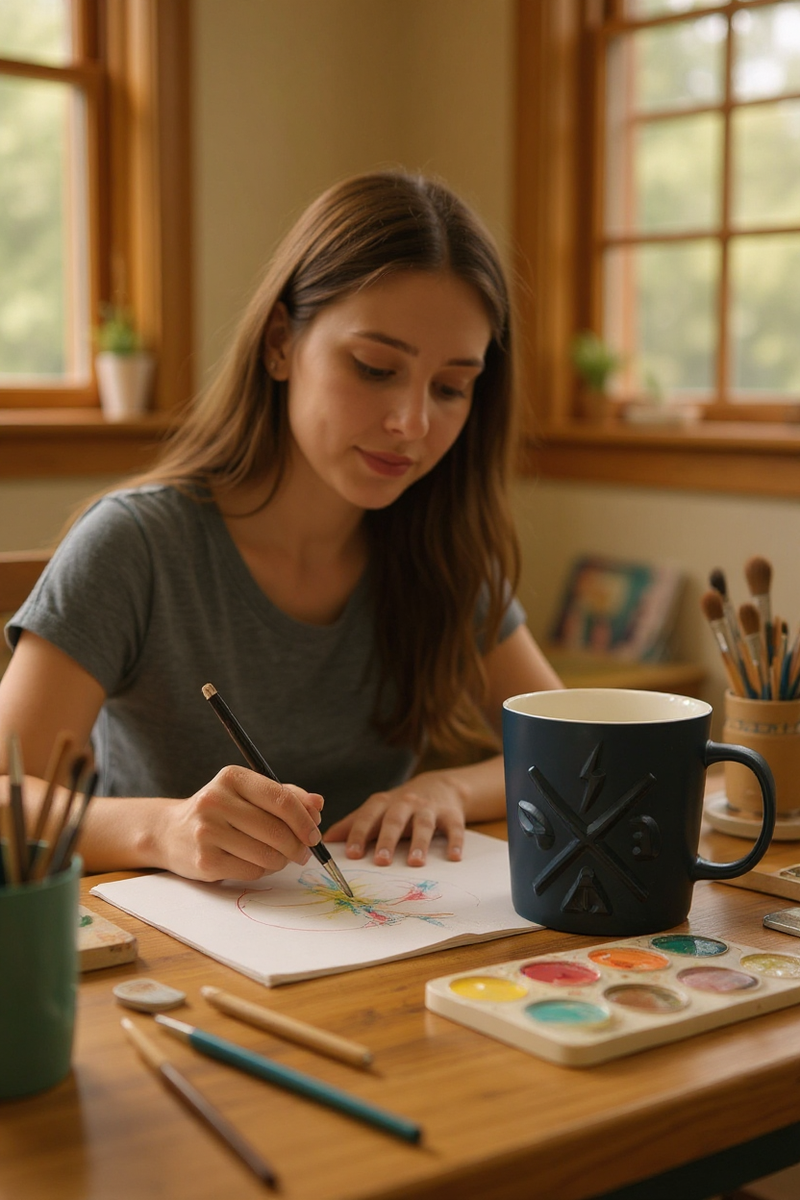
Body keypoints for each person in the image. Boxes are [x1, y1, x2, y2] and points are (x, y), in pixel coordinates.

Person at [0, 169, 561, 883]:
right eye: (374, 367)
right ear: (279, 344)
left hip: (370, 955)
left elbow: (571, 744)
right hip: (163, 965)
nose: (413, 423)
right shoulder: (135, 547)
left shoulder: (442, 552)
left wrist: (446, 787)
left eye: (451, 387)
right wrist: (162, 829)